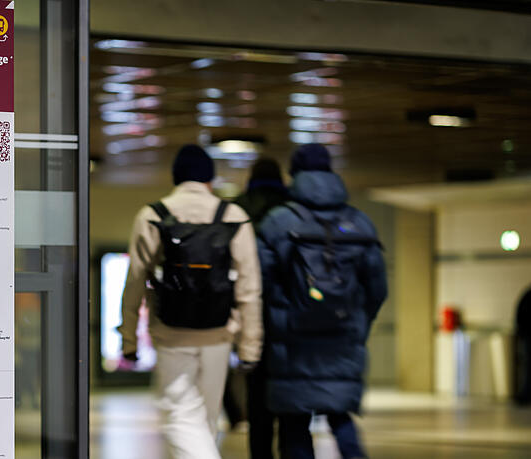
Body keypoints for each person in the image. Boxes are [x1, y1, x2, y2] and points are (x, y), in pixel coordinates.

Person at [119, 144, 263, 459]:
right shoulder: (234, 216)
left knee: (180, 416)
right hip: (219, 333)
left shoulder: (153, 215)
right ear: (210, 179)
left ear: (176, 177)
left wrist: (129, 339)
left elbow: (135, 282)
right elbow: (250, 289)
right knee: (205, 421)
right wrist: (250, 347)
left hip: (171, 332)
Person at [255, 144, 387, 459]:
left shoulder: (278, 222)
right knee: (341, 417)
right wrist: (357, 322)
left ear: (294, 175)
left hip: (292, 343)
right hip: (343, 338)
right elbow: (377, 288)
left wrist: (278, 320)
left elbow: (261, 284)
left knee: (295, 425)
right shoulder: (360, 222)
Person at [222, 158, 288, 443]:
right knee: (289, 390)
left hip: (247, 309)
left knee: (255, 385)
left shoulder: (236, 208)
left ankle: (259, 447)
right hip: (289, 313)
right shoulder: (293, 208)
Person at [516, 287, 531, 404]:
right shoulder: (527, 296)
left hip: (526, 336)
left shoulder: (526, 295)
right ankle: (525, 395)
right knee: (528, 366)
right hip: (527, 337)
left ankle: (525, 395)